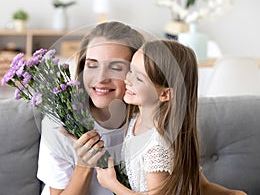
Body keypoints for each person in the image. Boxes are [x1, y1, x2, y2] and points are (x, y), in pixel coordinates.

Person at [95, 39, 247, 195]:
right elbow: (201, 185)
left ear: (165, 94)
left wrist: (112, 184)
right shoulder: (138, 119)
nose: (128, 80)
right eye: (131, 70)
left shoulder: (156, 146)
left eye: (139, 78)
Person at [37, 21, 145, 195]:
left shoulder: (149, 119)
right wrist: (84, 164)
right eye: (92, 65)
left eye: (116, 67)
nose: (101, 78)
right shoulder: (59, 121)